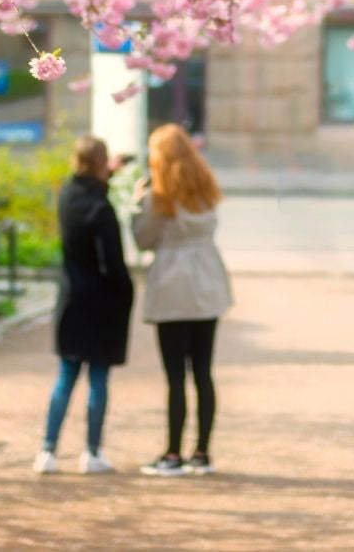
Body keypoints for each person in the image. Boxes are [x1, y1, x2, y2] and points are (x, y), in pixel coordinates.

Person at [131, 123, 231, 477]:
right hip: (206, 282)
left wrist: (135, 206)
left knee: (175, 376)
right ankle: (202, 452)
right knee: (203, 372)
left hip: (173, 286)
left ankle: (173, 453)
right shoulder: (205, 189)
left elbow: (143, 240)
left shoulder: (157, 197)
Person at [35, 137, 135, 475]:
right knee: (98, 379)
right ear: (100, 164)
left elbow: (89, 192)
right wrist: (127, 291)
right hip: (102, 302)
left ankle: (47, 450)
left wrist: (109, 173)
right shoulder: (102, 209)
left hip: (71, 300)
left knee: (65, 376)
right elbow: (113, 264)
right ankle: (92, 452)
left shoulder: (67, 195)